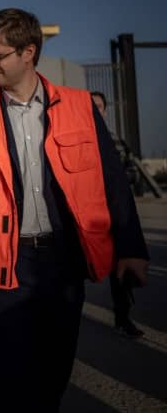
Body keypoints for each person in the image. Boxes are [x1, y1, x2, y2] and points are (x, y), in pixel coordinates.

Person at [0, 8, 149, 412]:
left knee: (55, 371)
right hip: (3, 266)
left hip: (62, 262)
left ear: (28, 52)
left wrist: (130, 247)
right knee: (14, 377)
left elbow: (113, 181)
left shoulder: (79, 108)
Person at [90, 91, 144, 338]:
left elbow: (133, 171)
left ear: (105, 110)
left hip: (114, 215)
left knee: (120, 270)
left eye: (99, 106)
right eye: (92, 106)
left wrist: (120, 181)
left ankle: (123, 316)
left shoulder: (116, 142)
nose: (96, 110)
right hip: (88, 215)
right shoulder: (78, 140)